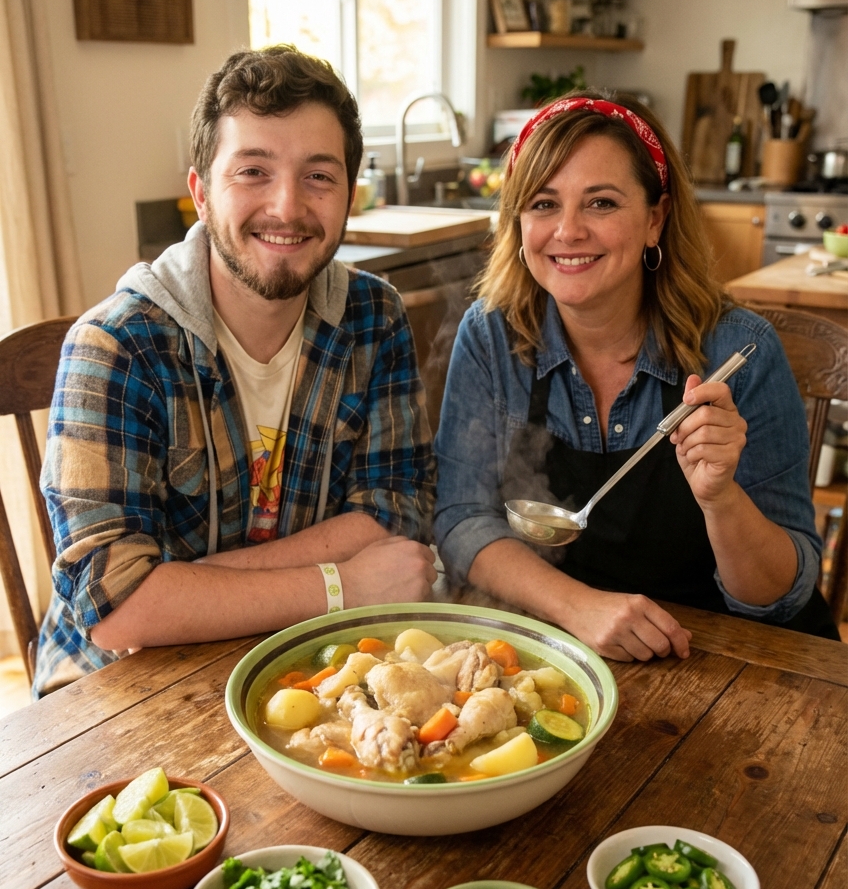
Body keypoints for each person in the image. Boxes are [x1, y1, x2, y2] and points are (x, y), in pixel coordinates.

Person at [35, 46, 436, 696]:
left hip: (302, 665)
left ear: (349, 195)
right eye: (253, 170)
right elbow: (117, 610)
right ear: (199, 191)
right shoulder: (114, 346)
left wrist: (191, 586)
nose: (287, 206)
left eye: (319, 176)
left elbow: (397, 511)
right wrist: (344, 584)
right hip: (118, 691)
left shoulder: (373, 315)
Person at [434, 92, 837, 662]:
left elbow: (776, 597)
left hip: (727, 656)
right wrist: (577, 606)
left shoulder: (736, 350)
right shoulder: (493, 335)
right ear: (517, 221)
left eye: (600, 203)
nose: (568, 231)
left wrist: (721, 498)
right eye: (544, 204)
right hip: (572, 645)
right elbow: (459, 518)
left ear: (656, 219)